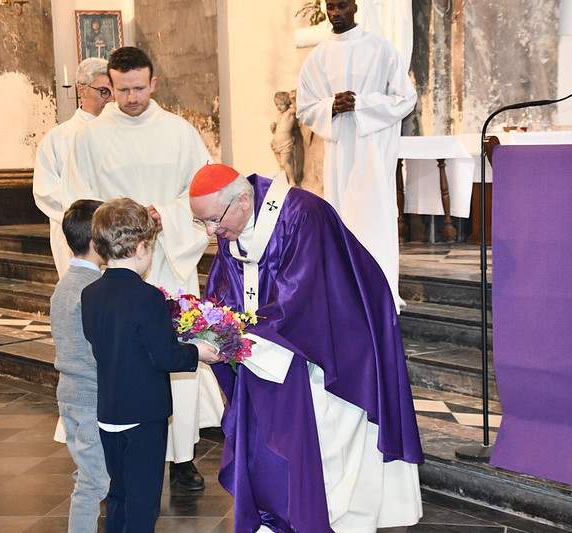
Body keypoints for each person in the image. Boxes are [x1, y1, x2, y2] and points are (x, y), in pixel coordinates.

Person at [189, 163, 423, 533]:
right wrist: (214, 327)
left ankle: (338, 520)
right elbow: (226, 287)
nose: (210, 231)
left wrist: (242, 336)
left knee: (331, 441)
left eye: (212, 220)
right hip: (280, 347)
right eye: (201, 222)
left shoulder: (302, 214)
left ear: (244, 200)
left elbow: (302, 294)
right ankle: (286, 514)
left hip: (336, 346)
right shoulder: (231, 225)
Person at [62, 46, 224, 491]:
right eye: (122, 90)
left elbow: (202, 195)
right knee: (122, 359)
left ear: (153, 83)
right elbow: (79, 202)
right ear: (109, 86)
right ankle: (117, 453)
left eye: (138, 88)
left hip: (167, 258)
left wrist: (164, 215)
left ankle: (183, 457)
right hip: (115, 265)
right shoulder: (89, 138)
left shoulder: (180, 133)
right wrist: (118, 226)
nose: (131, 97)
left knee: (176, 349)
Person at [82, 198, 221, 532]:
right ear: (141, 247)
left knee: (119, 495)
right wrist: (198, 352)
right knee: (143, 502)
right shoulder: (148, 297)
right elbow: (166, 357)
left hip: (109, 412)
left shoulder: (90, 294)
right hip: (144, 415)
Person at [296, 0, 417, 311]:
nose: (335, 13)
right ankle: (347, 293)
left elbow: (406, 98)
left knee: (374, 218)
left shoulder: (382, 49)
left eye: (342, 6)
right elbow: (305, 108)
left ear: (354, 7)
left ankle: (381, 292)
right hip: (339, 155)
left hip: (373, 151)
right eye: (330, 7)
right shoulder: (317, 57)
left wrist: (361, 104)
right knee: (342, 219)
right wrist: (331, 107)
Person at [50, 199, 108, 533]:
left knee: (89, 474)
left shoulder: (65, 283)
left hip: (69, 394)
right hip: (89, 397)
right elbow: (96, 351)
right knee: (93, 483)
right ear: (97, 240)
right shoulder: (92, 290)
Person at [33, 57, 113, 279]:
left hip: (117, 233)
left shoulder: (123, 135)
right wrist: (89, 221)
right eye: (104, 92)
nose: (111, 99)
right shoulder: (58, 138)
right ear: (82, 89)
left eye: (114, 91)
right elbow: (46, 191)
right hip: (78, 237)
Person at [270, 91, 297, 185]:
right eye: (277, 104)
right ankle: (284, 181)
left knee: (285, 163)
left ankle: (292, 181)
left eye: (281, 104)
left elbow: (297, 109)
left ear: (287, 102)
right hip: (276, 144)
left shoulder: (289, 112)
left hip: (285, 142)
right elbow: (277, 131)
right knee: (281, 165)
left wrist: (293, 99)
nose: (279, 107)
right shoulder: (279, 115)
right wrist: (273, 128)